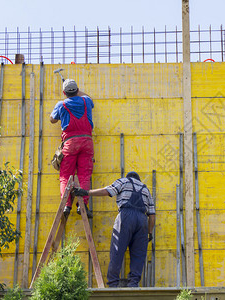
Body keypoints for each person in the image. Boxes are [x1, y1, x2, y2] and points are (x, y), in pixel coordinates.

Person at [72, 171, 156, 287]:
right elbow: (152, 215)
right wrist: (149, 233)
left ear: (128, 177)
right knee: (138, 254)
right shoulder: (145, 189)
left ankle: (113, 284)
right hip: (142, 220)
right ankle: (133, 284)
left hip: (126, 217)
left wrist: (86, 192)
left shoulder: (124, 181)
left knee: (117, 250)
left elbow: (108, 191)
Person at [50, 79, 94, 218]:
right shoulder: (86, 101)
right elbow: (89, 98)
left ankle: (66, 205)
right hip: (87, 141)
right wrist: (76, 92)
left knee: (65, 175)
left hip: (70, 142)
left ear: (64, 92)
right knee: (84, 175)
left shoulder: (61, 105)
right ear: (77, 90)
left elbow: (52, 119)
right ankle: (83, 206)